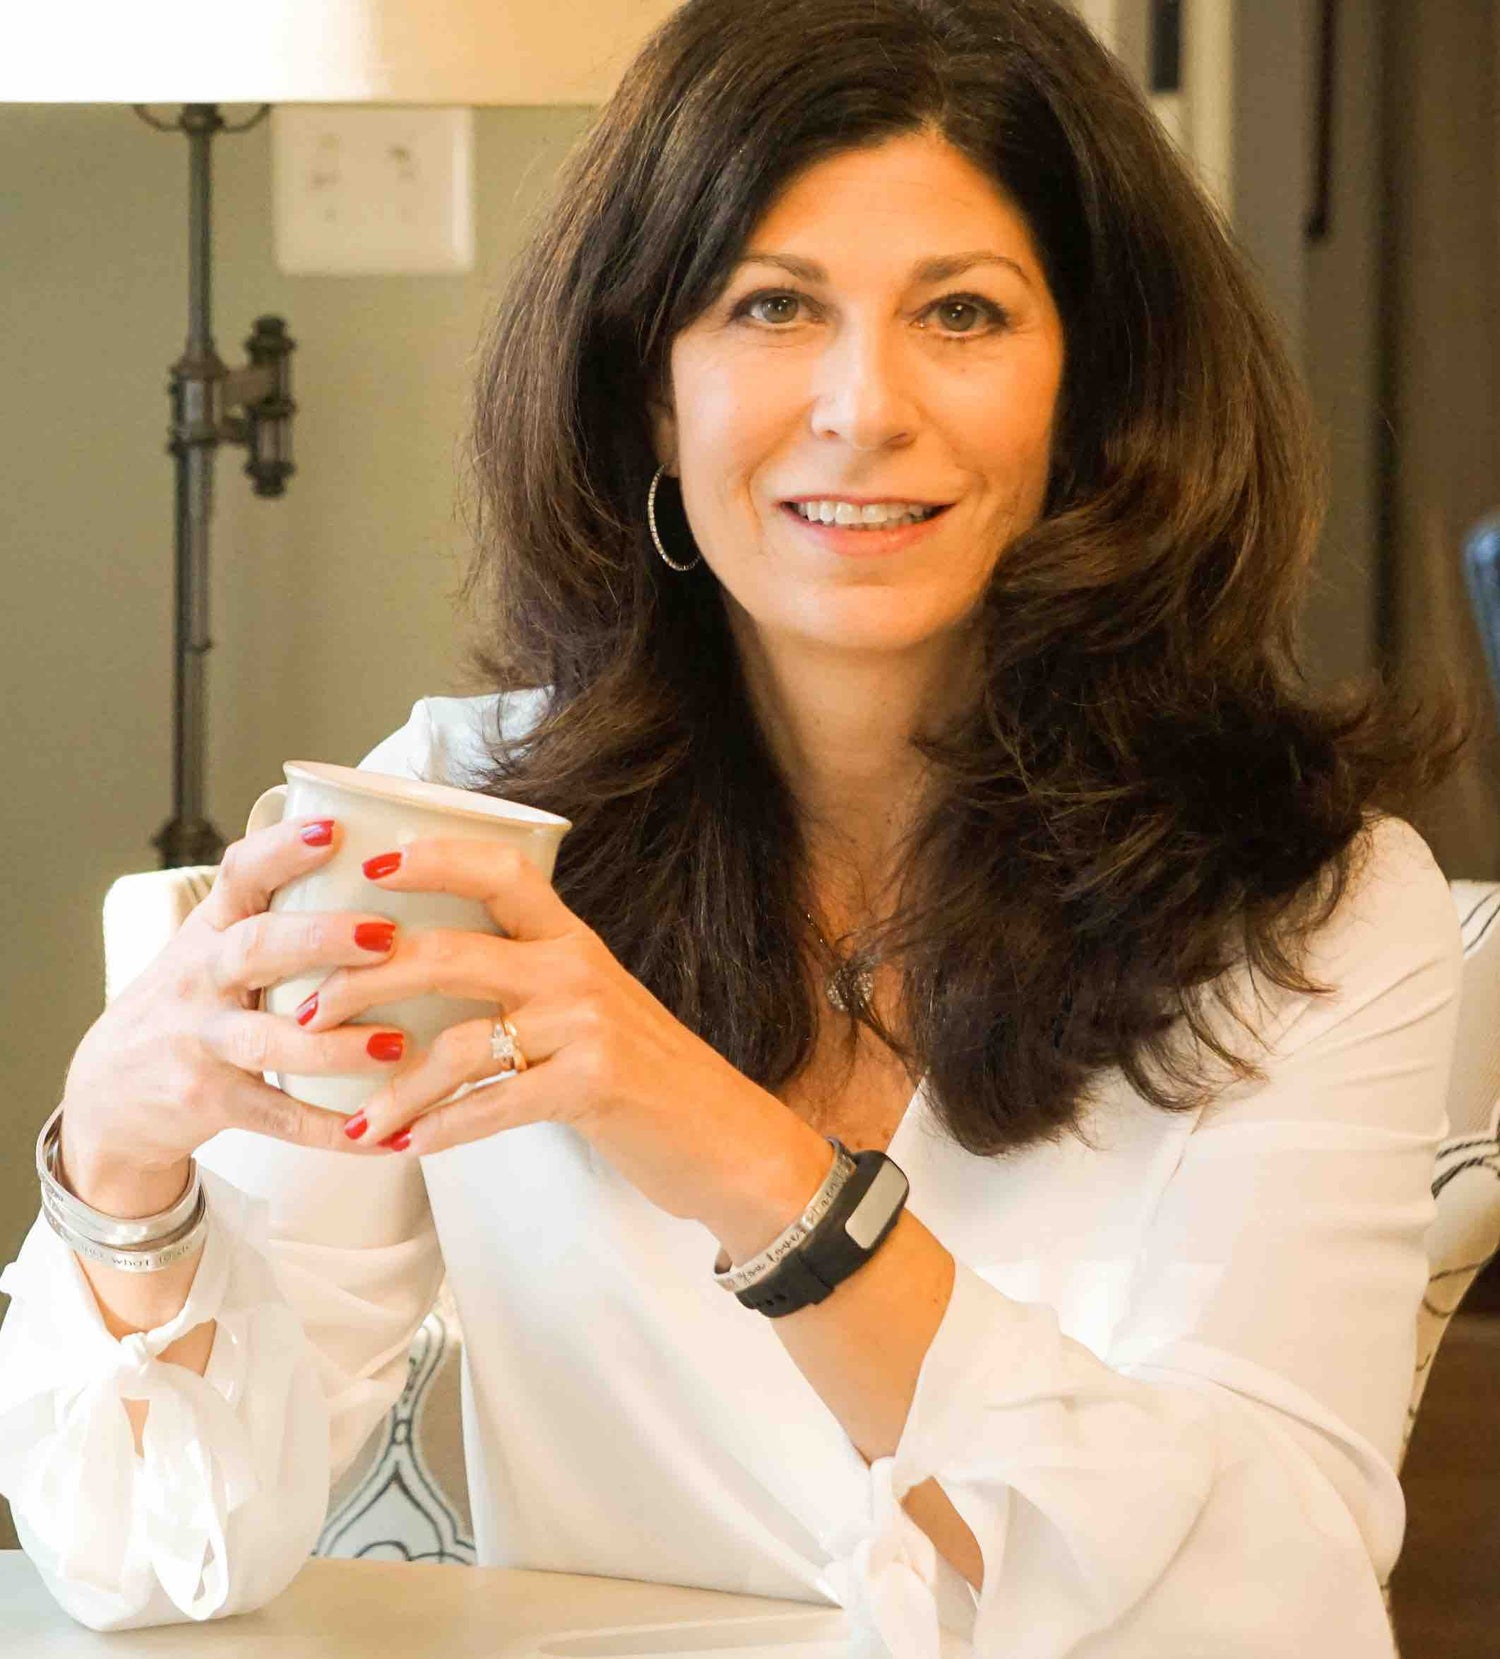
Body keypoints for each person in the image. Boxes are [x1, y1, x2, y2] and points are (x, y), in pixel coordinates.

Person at [0, 0, 1475, 1652]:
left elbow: (1267, 1608)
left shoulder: (1319, 909)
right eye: (772, 305)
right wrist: (122, 1169)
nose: (861, 407)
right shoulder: (455, 827)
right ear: (649, 391)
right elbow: (158, 1559)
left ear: (1092, 396)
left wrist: (734, 1157)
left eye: (965, 314)